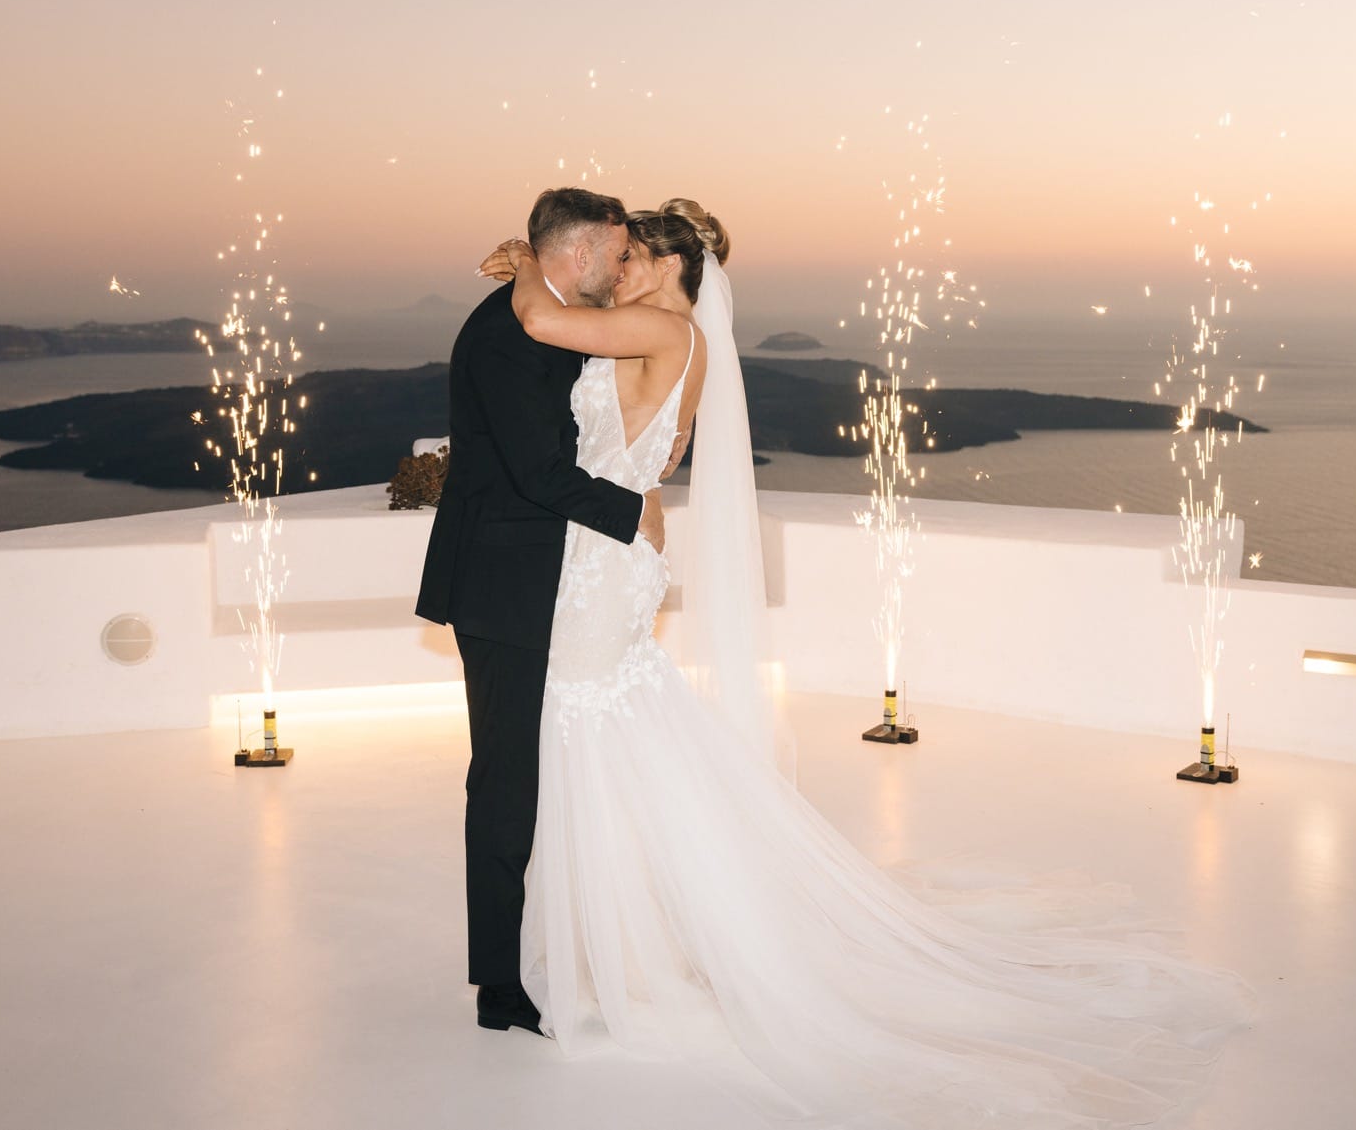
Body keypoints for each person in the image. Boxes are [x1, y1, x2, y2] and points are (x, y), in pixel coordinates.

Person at [473, 199, 1254, 1128]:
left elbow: (540, 319)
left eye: (635, 254)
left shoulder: (660, 330)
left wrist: (529, 259)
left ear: (677, 269)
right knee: (610, 727)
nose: (621, 267)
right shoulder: (674, 340)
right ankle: (641, 929)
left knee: (586, 723)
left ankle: (623, 941)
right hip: (602, 552)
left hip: (600, 565)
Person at [415, 187, 666, 1036]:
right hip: (499, 586)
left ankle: (533, 949)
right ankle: (498, 986)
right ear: (582, 251)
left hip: (535, 577)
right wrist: (637, 514)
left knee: (523, 773)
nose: (621, 266)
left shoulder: (543, 315)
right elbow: (538, 474)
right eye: (617, 252)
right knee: (504, 780)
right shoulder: (506, 335)